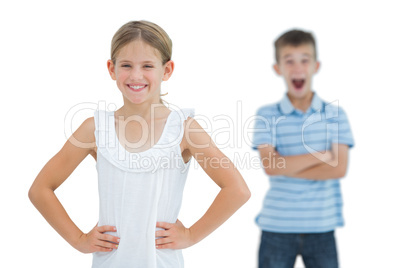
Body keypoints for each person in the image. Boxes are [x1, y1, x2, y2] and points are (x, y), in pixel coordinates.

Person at [29, 20, 250, 268]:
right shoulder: (95, 128)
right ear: (111, 69)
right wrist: (78, 239)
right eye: (126, 65)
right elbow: (40, 189)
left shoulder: (183, 129)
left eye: (147, 65)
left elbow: (237, 190)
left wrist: (191, 235)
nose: (136, 75)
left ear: (166, 70)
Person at [252, 29, 354, 268]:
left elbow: (338, 169)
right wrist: (321, 155)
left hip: (322, 227)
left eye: (304, 60)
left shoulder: (335, 114)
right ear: (278, 68)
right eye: (289, 61)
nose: (297, 68)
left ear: (316, 66)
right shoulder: (267, 114)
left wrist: (286, 165)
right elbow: (271, 166)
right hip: (276, 227)